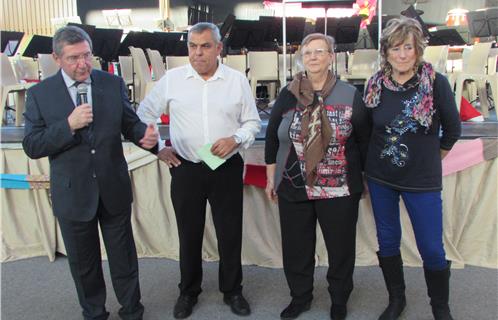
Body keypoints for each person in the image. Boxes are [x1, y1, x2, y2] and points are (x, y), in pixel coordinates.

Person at [22, 26, 159, 320]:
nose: (82, 64)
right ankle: (94, 313)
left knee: (123, 259)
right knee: (84, 265)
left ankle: (133, 311)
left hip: (113, 186)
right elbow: (32, 145)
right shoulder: (39, 95)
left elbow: (130, 123)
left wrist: (144, 137)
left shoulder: (111, 83)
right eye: (73, 58)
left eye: (86, 55)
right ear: (57, 59)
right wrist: (68, 125)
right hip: (73, 194)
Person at [137, 22, 261, 319]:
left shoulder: (235, 80)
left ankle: (232, 290)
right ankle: (188, 292)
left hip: (226, 167)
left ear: (219, 48)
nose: (198, 53)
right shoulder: (173, 79)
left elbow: (253, 124)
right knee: (188, 233)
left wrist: (235, 138)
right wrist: (158, 149)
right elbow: (142, 116)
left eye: (205, 46)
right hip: (186, 168)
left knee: (229, 233)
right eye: (192, 46)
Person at [265, 33, 371, 320]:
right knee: (296, 248)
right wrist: (270, 177)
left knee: (340, 248)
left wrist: (361, 180)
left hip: (338, 186)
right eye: (307, 52)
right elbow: (273, 137)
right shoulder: (288, 93)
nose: (312, 57)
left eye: (319, 51)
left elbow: (364, 140)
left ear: (331, 57)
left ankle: (339, 299)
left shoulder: (350, 95)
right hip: (293, 184)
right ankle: (300, 297)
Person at [363, 18, 461, 320]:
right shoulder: (374, 85)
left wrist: (430, 158)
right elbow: (367, 133)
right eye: (396, 48)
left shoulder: (436, 83)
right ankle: (397, 299)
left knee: (431, 248)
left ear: (418, 50)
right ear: (386, 52)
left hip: (423, 180)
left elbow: (453, 129)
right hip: (381, 178)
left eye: (409, 47)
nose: (402, 54)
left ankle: (440, 309)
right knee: (388, 240)